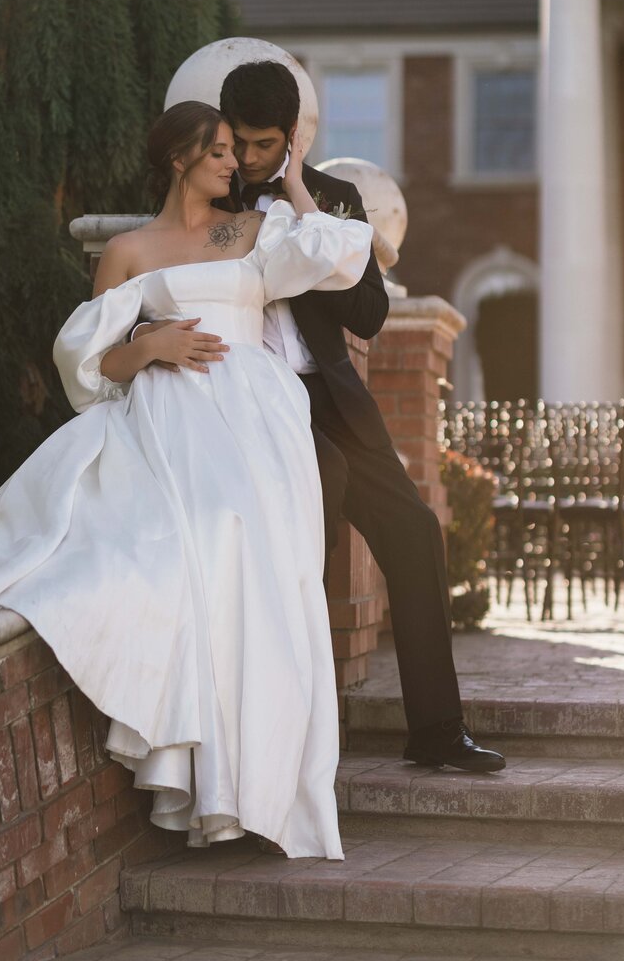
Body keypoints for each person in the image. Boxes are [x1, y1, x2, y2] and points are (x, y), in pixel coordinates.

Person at [0, 100, 376, 859]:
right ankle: (213, 793)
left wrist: (298, 175)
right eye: (216, 150)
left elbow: (336, 251)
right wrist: (151, 345)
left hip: (256, 427)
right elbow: (90, 363)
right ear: (179, 157)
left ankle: (269, 787)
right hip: (170, 424)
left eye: (232, 152)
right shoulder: (131, 251)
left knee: (267, 586)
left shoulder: (247, 230)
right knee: (193, 562)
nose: (230, 163)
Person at [214, 61, 505, 773]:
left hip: (331, 398)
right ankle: (294, 744)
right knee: (315, 514)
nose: (248, 157)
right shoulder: (207, 194)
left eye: (263, 145)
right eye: (239, 143)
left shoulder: (336, 199)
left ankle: (437, 732)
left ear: (291, 138)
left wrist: (300, 205)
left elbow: (370, 315)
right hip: (250, 402)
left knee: (413, 532)